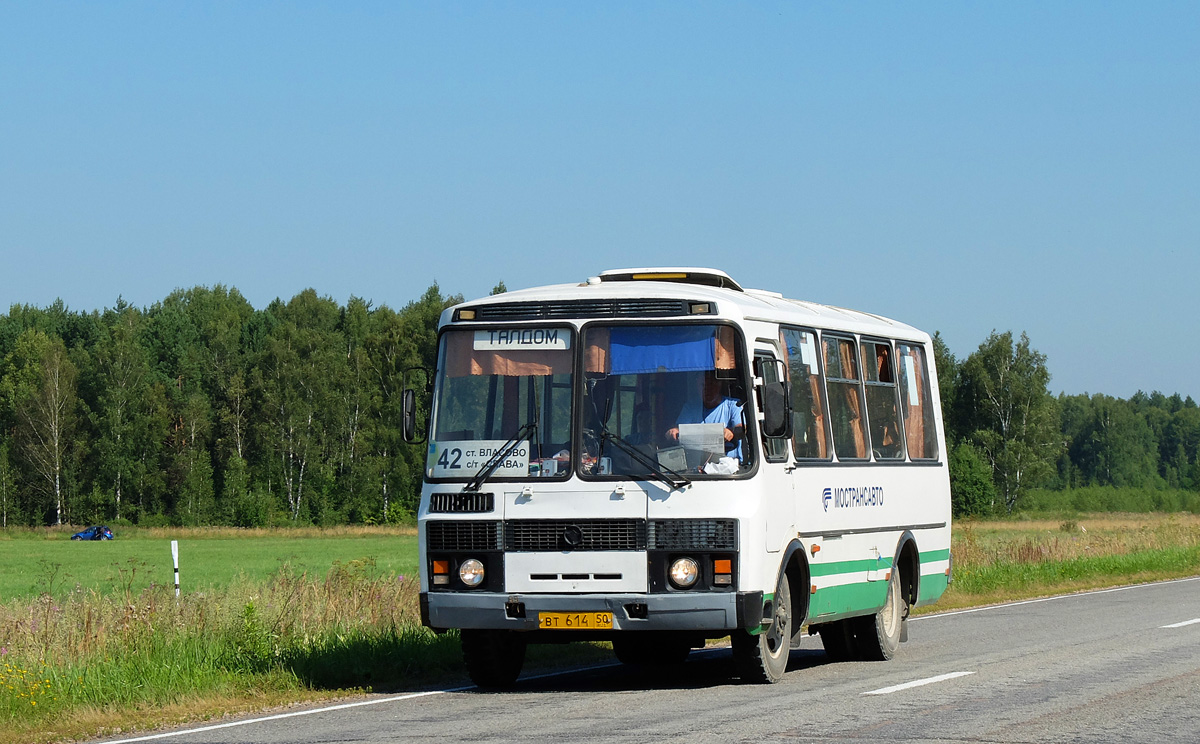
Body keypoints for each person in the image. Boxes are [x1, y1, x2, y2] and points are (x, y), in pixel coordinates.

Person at [666, 371, 745, 461]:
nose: (707, 389)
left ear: (719, 385)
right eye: (703, 385)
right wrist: (673, 432)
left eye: (711, 385)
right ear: (697, 386)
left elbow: (742, 429)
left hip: (728, 467)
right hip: (696, 467)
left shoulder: (734, 405)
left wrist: (731, 431)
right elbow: (678, 429)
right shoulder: (690, 407)